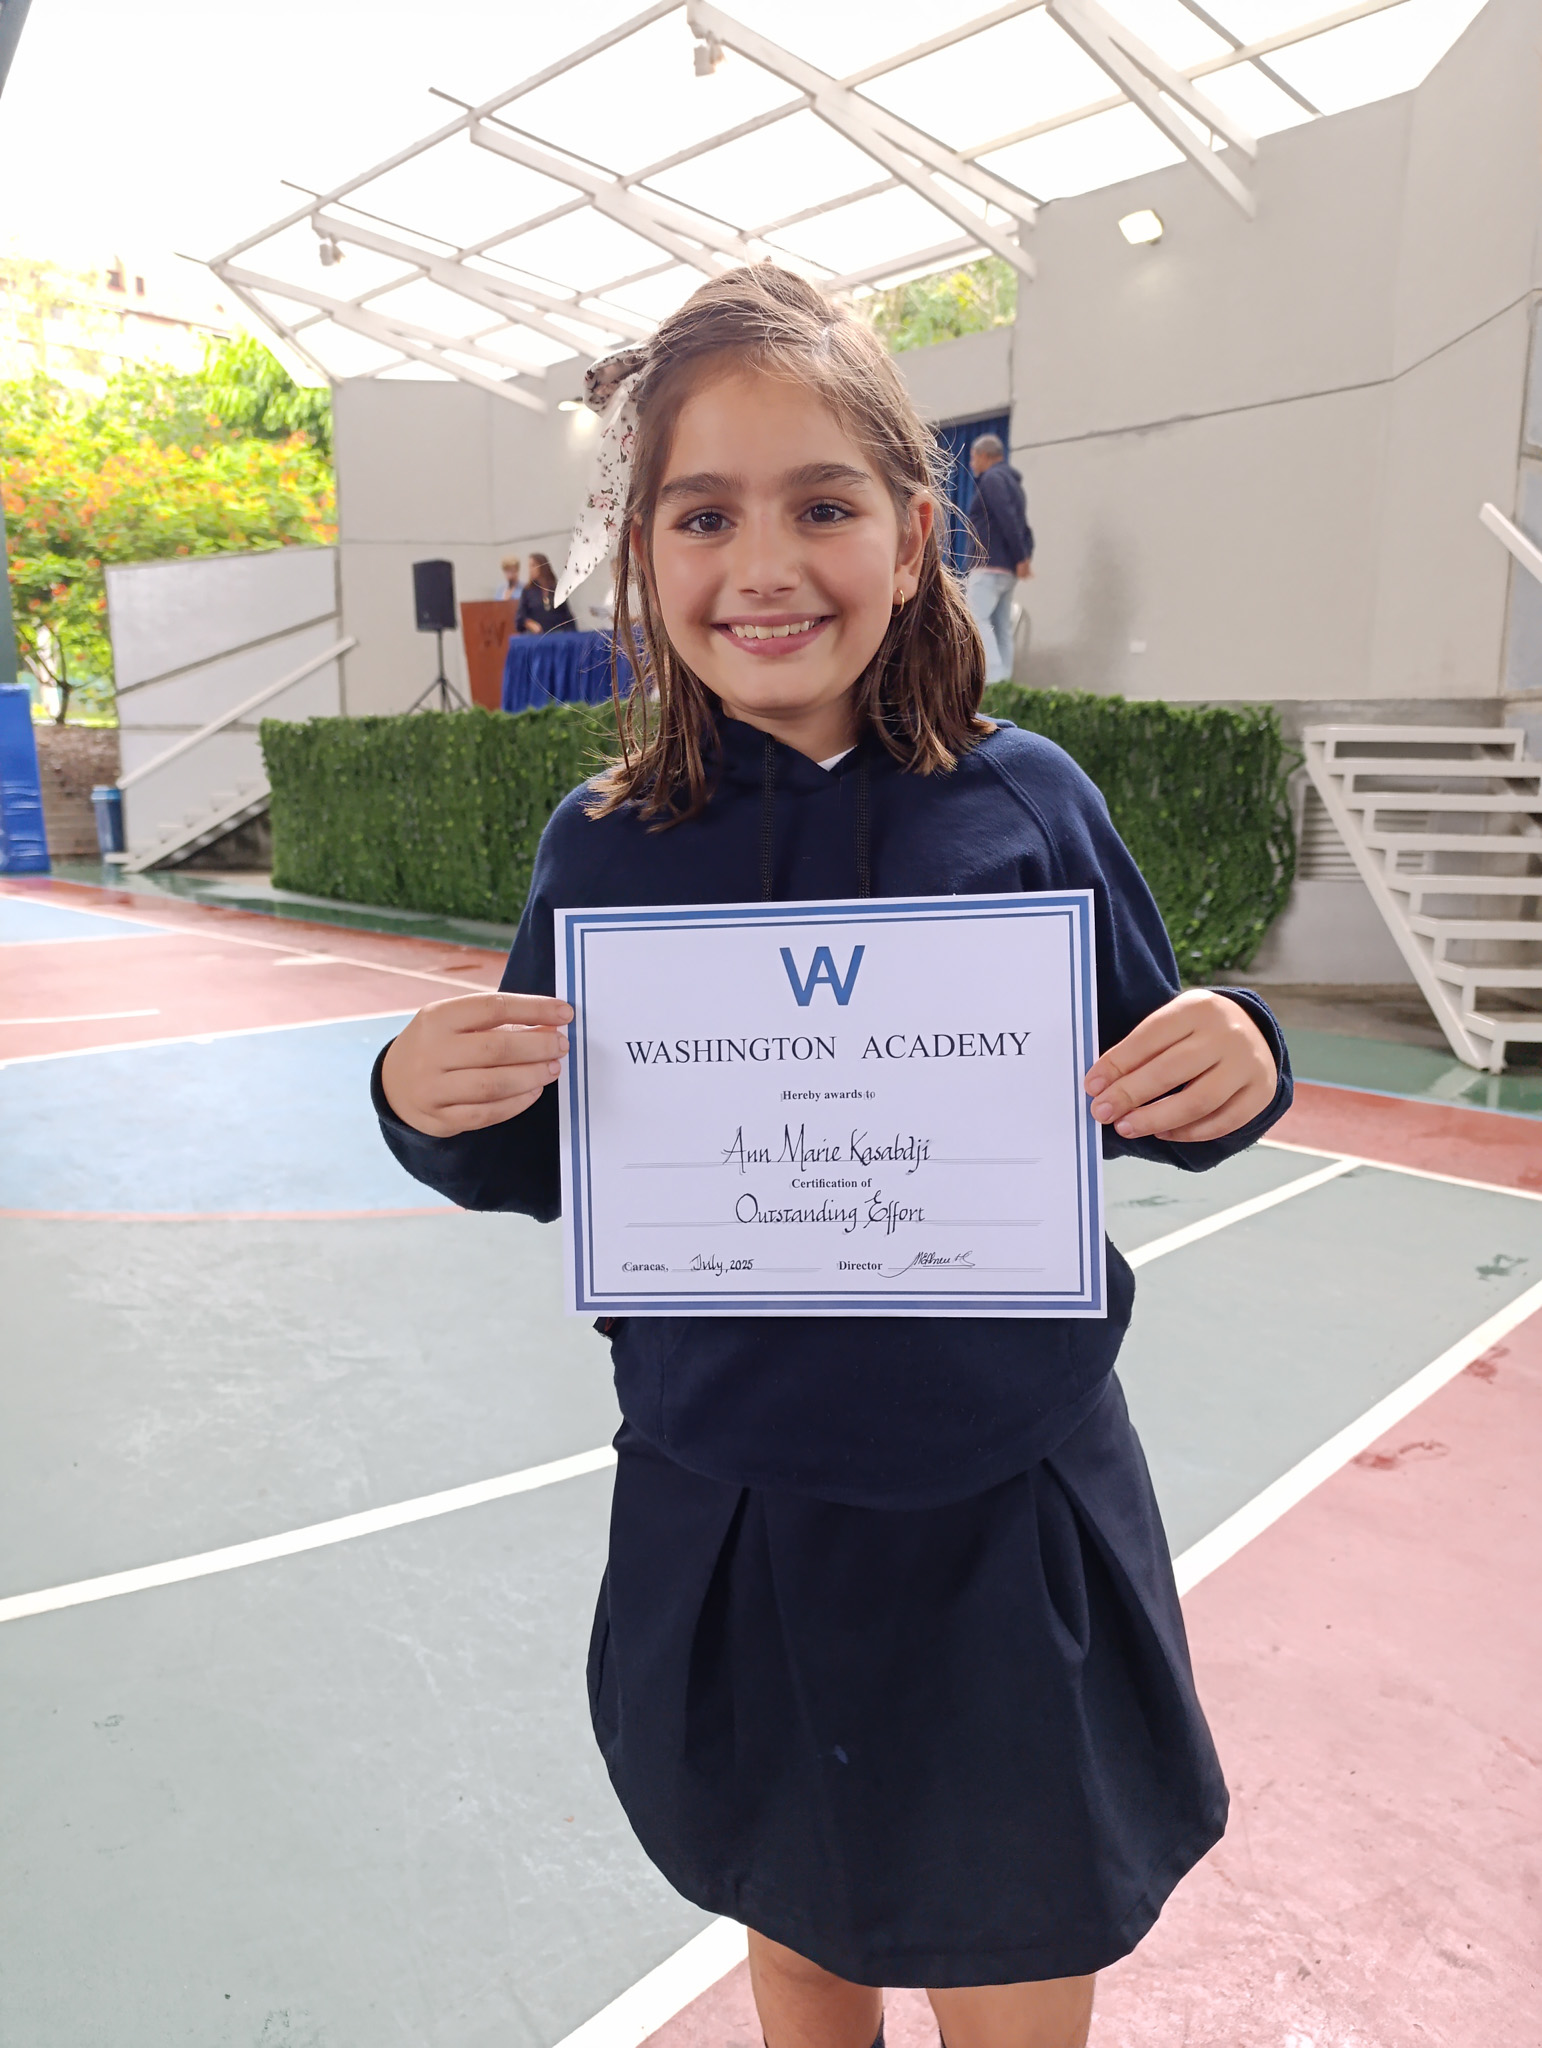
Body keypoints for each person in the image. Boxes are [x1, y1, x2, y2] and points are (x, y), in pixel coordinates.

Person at [371, 265, 1290, 2048]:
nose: (764, 565)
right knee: (798, 1925)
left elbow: (1158, 1080)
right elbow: (542, 1154)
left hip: (1003, 1499)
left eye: (822, 505)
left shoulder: (1030, 803)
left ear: (912, 532)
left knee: (1016, 1937)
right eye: (704, 514)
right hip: (730, 1500)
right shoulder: (603, 846)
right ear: (642, 553)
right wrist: (425, 1095)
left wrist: (1234, 1053)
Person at [964, 432, 1033, 686]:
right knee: (1001, 624)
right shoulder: (1015, 485)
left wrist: (1021, 557)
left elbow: (1008, 519)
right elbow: (1022, 525)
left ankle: (992, 680)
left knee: (976, 619)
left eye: (974, 457)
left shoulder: (992, 479)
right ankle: (1004, 680)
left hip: (989, 565)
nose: (972, 463)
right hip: (1007, 570)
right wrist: (1022, 557)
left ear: (984, 455)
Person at [515, 551, 576, 634]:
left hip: (558, 635)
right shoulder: (528, 591)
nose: (530, 569)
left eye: (533, 565)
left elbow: (567, 617)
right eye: (529, 566)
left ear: (542, 566)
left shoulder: (557, 590)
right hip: (536, 637)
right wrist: (528, 623)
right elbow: (520, 617)